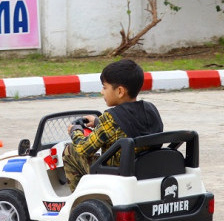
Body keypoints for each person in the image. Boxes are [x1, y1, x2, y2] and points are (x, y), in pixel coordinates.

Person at [62, 59, 162, 191]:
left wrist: (75, 131)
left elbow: (83, 149)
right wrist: (98, 122)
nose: (102, 92)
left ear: (120, 91)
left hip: (115, 174)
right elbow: (129, 126)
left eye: (105, 87)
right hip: (143, 169)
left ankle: (82, 199)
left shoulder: (110, 118)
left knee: (70, 151)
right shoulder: (150, 109)